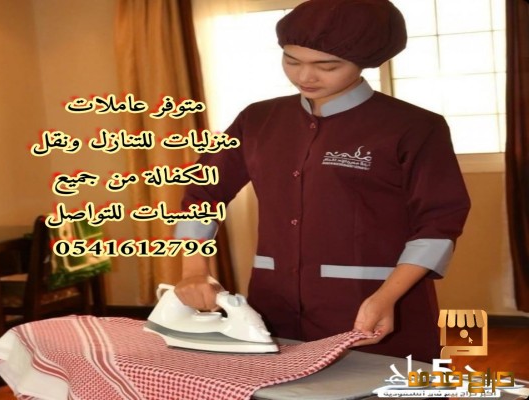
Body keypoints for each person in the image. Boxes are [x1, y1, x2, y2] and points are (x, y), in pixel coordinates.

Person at [173, 0, 470, 363]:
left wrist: (388, 296)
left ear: (365, 61)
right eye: (291, 61)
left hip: (374, 306)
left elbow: (438, 223)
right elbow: (203, 191)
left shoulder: (415, 127)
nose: (305, 77)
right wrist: (194, 269)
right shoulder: (257, 120)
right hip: (273, 309)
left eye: (327, 66)